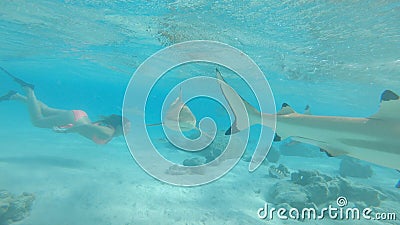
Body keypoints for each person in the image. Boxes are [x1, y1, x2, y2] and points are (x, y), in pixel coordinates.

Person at [0, 67, 130, 145]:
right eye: (127, 128)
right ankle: (28, 90)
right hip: (74, 120)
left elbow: (87, 127)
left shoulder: (110, 129)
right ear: (119, 126)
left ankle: (15, 96)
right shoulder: (108, 132)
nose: (129, 131)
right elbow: (84, 126)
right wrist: (65, 131)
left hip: (79, 115)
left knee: (45, 110)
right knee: (38, 121)